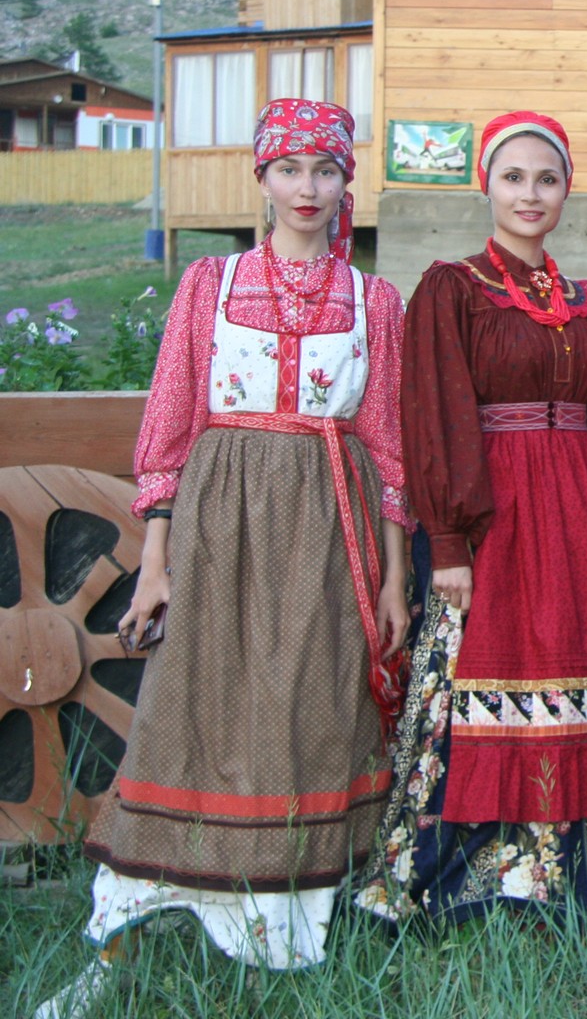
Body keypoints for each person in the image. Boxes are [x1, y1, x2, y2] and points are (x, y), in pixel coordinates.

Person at [37, 99, 409, 1018]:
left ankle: (286, 929)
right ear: (263, 178)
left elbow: (389, 446)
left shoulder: (375, 302)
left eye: (325, 170)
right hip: (219, 523)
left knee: (310, 707)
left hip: (330, 526)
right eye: (289, 169)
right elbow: (170, 424)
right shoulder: (210, 283)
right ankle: (123, 935)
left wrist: (395, 577)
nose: (308, 188)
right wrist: (154, 562)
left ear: (346, 181)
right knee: (193, 703)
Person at [355, 112, 587, 927]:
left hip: (583, 513)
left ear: (566, 192)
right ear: (487, 185)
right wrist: (447, 541)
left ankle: (581, 877)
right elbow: (434, 415)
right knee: (480, 670)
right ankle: (473, 877)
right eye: (514, 177)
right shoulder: (451, 289)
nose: (530, 194)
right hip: (496, 513)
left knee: (579, 669)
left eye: (547, 180)